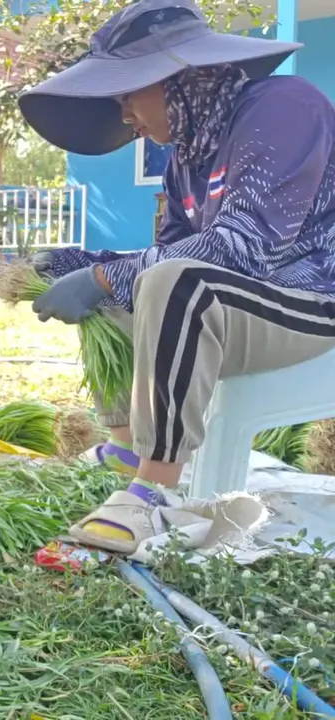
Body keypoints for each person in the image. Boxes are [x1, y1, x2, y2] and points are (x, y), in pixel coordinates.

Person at [17, 0, 335, 554]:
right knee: (128, 288)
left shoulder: (284, 108)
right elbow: (167, 251)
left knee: (169, 282)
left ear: (178, 78)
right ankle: (127, 448)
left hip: (310, 300)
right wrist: (85, 264)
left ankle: (154, 494)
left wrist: (105, 275)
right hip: (245, 304)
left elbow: (243, 246)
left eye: (128, 95)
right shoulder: (186, 156)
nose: (125, 116)